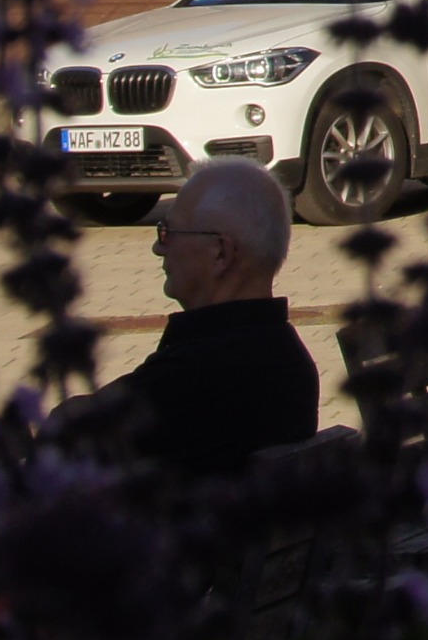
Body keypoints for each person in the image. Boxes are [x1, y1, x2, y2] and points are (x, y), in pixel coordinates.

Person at [55, 158, 320, 476]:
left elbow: (65, 435)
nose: (157, 248)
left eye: (168, 232)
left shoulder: (196, 377)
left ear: (220, 252)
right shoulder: (290, 360)